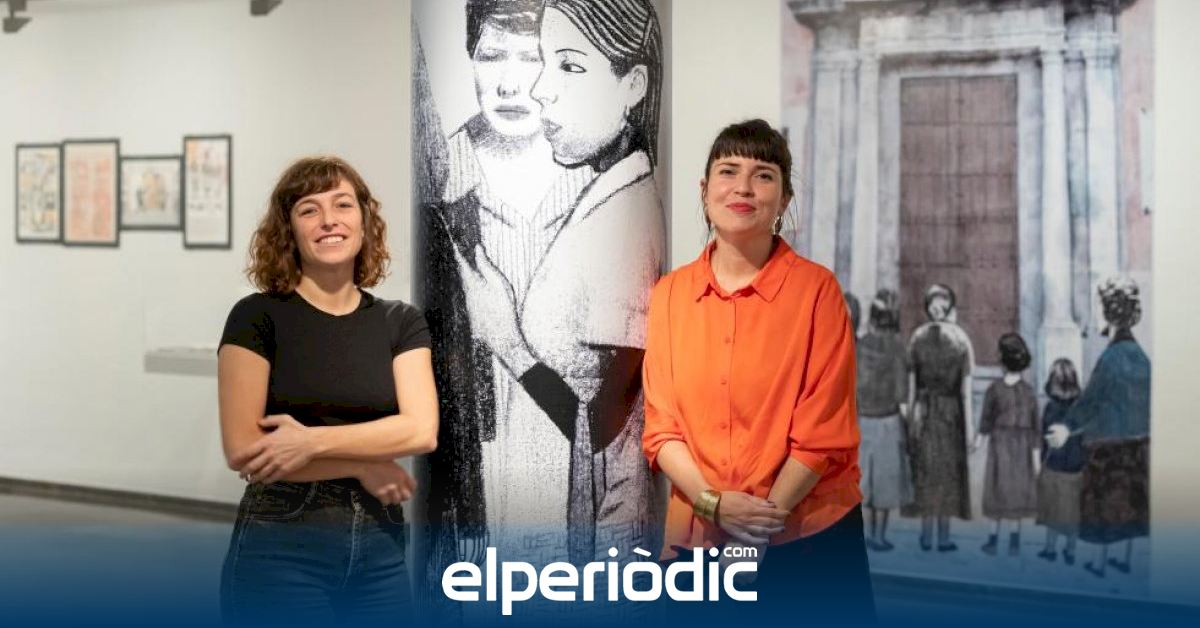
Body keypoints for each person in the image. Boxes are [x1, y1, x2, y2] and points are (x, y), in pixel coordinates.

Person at [451, 0, 665, 567]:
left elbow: (607, 426)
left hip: (604, 535)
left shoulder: (623, 210)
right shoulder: (602, 191)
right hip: (558, 519)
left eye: (562, 65)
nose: (534, 87)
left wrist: (508, 340)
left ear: (633, 85)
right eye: (491, 56)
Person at [642, 119, 873, 623]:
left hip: (807, 539)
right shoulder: (670, 295)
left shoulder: (817, 292)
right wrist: (713, 504)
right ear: (704, 191)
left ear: (784, 199)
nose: (743, 187)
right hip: (697, 538)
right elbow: (662, 430)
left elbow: (820, 436)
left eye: (763, 175)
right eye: (728, 171)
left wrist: (756, 531)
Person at [217, 156, 438, 622]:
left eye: (342, 204)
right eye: (309, 210)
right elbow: (245, 449)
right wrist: (362, 463)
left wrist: (310, 442)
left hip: (380, 539)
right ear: (289, 230)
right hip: (283, 538)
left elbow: (420, 431)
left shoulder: (400, 321)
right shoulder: (257, 316)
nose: (329, 220)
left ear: (364, 220)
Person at [1047, 276, 1150, 577]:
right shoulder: (1141, 358)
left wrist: (1066, 428)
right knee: (1130, 506)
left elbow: (1090, 401)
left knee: (1105, 508)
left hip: (1108, 446)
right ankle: (1125, 561)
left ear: (1109, 313)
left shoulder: (1110, 358)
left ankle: (1100, 564)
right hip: (1138, 444)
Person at [904, 283, 975, 551]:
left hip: (924, 412)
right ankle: (943, 538)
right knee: (947, 475)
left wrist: (911, 420)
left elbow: (912, 388)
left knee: (926, 472)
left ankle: (926, 536)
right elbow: (966, 391)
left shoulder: (916, 338)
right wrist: (969, 428)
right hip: (951, 414)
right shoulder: (961, 340)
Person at [975, 333, 1041, 556]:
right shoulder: (1029, 392)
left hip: (1000, 445)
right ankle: (1014, 542)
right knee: (1017, 493)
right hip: (1022, 447)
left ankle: (993, 540)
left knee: (997, 490)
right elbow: (1036, 427)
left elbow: (985, 421)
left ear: (1002, 360)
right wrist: (1036, 457)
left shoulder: (994, 389)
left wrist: (978, 441)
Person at [857, 289, 912, 551]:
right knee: (885, 484)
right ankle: (878, 536)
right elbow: (902, 393)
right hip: (889, 422)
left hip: (862, 420)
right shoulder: (898, 348)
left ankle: (863, 534)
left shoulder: (860, 345)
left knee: (864, 482)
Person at [1036, 358, 1084, 564]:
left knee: (1052, 510)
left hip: (1054, 465)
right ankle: (1070, 551)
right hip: (1075, 466)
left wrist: (1041, 462)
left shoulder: (1050, 408)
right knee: (1073, 512)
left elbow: (1044, 439)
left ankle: (1050, 549)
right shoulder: (1081, 408)